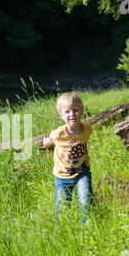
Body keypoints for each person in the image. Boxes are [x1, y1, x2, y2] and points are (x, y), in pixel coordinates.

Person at [42, 92, 94, 224]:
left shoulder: (87, 129)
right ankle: (62, 230)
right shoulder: (58, 133)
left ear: (82, 111)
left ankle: (87, 226)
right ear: (61, 114)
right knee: (62, 207)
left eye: (75, 110)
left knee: (86, 199)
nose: (72, 114)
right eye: (67, 112)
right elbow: (49, 141)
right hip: (62, 176)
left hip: (83, 172)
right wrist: (45, 142)